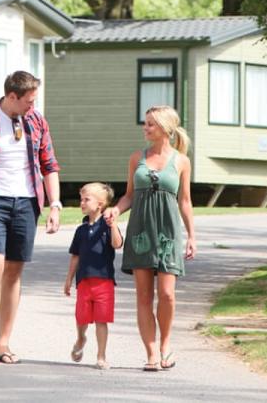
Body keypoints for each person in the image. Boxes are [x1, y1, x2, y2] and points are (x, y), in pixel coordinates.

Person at [0, 70, 62, 365]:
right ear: (11, 97)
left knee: (14, 272)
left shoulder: (36, 121)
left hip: (27, 202)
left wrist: (55, 204)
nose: (32, 106)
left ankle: (4, 342)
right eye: (28, 101)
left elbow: (49, 164)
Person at [103, 105, 196, 372]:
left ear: (165, 128)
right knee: (143, 296)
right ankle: (152, 353)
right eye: (145, 123)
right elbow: (129, 195)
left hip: (167, 232)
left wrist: (191, 236)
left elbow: (185, 201)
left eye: (151, 124)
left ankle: (166, 345)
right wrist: (116, 210)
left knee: (166, 295)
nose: (145, 128)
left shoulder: (181, 161)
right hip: (141, 231)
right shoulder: (136, 158)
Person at [63, 182, 123, 370]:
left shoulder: (107, 226)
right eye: (81, 199)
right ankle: (81, 338)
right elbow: (75, 256)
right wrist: (69, 279)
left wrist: (113, 226)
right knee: (81, 318)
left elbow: (117, 244)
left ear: (100, 204)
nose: (82, 202)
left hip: (104, 280)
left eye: (86, 199)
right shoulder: (80, 230)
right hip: (84, 281)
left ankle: (101, 356)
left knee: (101, 320)